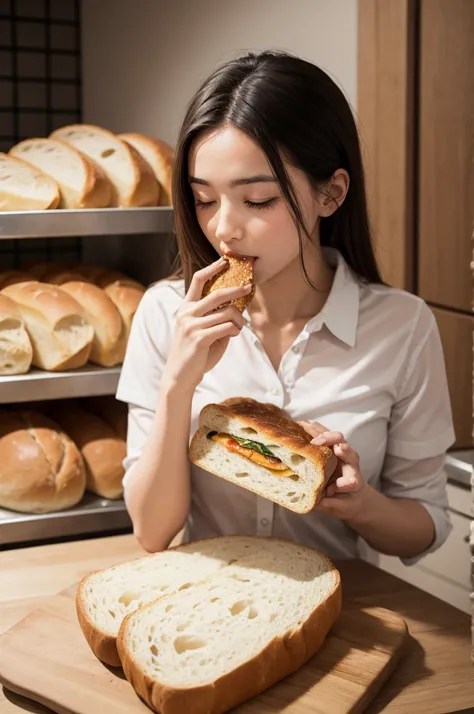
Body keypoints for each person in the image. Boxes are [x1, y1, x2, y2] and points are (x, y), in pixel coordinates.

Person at [116, 50, 455, 565]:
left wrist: (360, 504)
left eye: (257, 201)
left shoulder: (402, 326)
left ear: (331, 194)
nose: (224, 228)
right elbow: (152, 532)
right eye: (204, 199)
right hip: (212, 603)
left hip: (345, 613)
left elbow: (424, 529)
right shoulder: (167, 312)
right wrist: (177, 384)